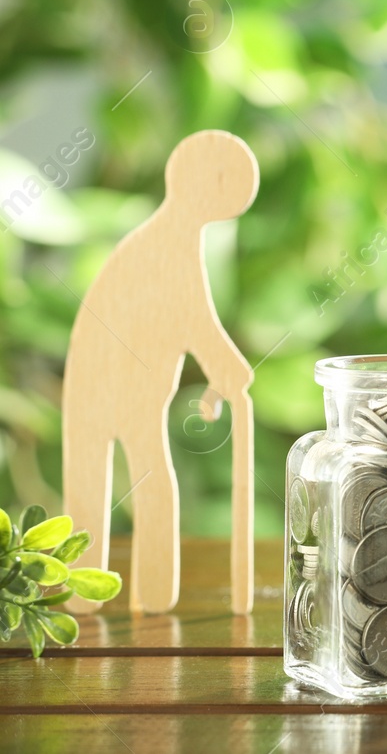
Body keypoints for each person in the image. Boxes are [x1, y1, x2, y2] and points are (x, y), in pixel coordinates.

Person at [62, 130, 258, 615]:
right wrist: (226, 365)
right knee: (142, 486)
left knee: (123, 483)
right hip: (114, 391)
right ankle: (130, 597)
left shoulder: (168, 240)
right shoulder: (167, 244)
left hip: (118, 392)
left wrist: (223, 366)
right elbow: (193, 321)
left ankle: (129, 599)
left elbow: (188, 322)